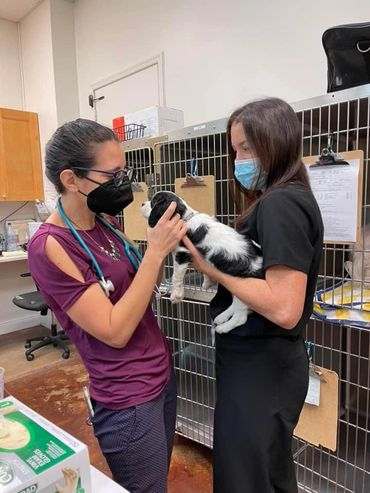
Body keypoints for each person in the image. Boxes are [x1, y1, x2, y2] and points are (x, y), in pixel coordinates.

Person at [27, 119, 187, 493]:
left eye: (125, 170)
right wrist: (156, 250)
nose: (123, 181)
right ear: (71, 180)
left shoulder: (106, 223)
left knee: (158, 482)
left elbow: (137, 289)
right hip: (127, 397)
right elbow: (114, 330)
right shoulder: (50, 245)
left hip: (160, 374)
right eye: (113, 173)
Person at [183, 97, 324, 493]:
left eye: (247, 147)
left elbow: (283, 307)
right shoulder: (281, 198)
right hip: (265, 365)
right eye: (235, 150)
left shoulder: (281, 204)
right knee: (268, 473)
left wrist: (210, 268)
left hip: (262, 367)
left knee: (244, 478)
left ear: (276, 143)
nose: (239, 158)